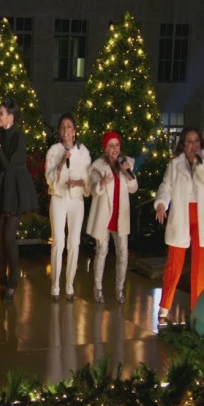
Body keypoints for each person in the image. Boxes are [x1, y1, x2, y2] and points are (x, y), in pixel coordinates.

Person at [155, 126, 204, 319]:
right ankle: (165, 304)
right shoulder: (175, 163)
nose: (194, 145)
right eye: (189, 141)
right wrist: (161, 203)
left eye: (196, 141)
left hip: (203, 218)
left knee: (200, 267)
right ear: (183, 144)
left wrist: (200, 165)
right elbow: (166, 186)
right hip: (181, 216)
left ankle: (197, 308)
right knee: (174, 263)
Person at [0, 98, 38, 302]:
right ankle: (2, 278)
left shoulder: (19, 137)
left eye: (1, 113)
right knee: (1, 237)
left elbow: (9, 166)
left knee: (9, 236)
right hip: (2, 188)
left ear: (11, 117)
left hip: (15, 189)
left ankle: (13, 282)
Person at [86, 131, 138, 304]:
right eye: (111, 146)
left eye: (117, 145)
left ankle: (120, 289)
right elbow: (93, 189)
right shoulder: (98, 167)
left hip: (120, 216)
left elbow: (133, 188)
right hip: (105, 217)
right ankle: (98, 288)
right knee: (101, 252)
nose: (115, 149)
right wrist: (102, 183)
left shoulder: (126, 164)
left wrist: (128, 173)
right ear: (105, 149)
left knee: (123, 253)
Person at [44, 113, 91, 302]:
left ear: (75, 130)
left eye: (69, 126)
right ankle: (55, 286)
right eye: (63, 127)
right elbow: (49, 179)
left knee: (74, 242)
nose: (66, 130)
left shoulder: (83, 152)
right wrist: (62, 161)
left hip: (76, 201)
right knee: (58, 241)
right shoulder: (54, 151)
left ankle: (69, 285)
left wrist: (79, 182)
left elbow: (89, 179)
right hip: (58, 198)